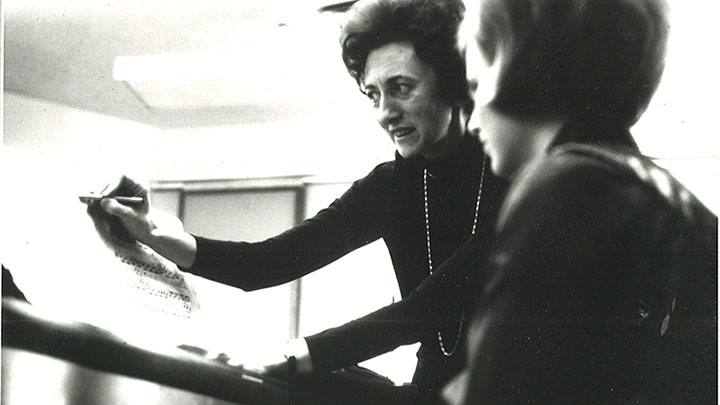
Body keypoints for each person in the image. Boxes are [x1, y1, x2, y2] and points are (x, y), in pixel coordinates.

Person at [89, 0, 507, 402]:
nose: (385, 112)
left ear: (454, 84)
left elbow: (422, 311)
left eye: (401, 88)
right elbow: (269, 262)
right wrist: (156, 235)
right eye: (373, 94)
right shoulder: (391, 184)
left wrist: (292, 355)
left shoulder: (515, 178)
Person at [448, 0, 718, 403]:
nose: (472, 122)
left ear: (520, 60)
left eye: (474, 87)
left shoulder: (563, 188)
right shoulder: (675, 202)